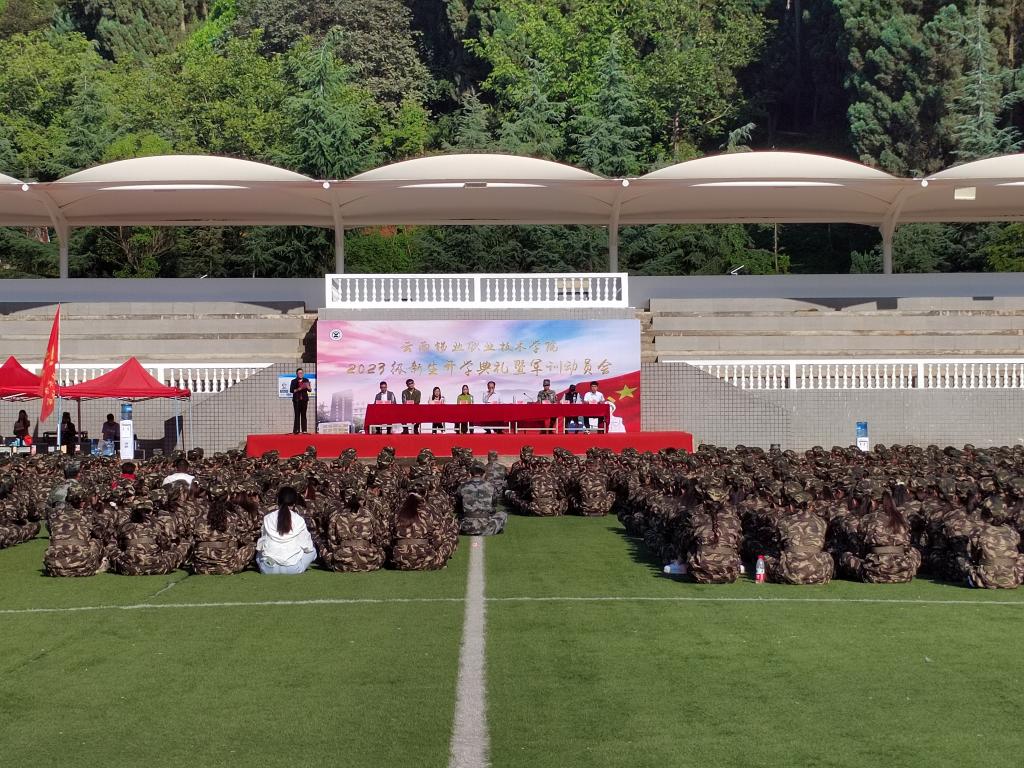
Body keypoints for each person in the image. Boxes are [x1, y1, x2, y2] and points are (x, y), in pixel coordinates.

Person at [256, 486, 317, 574]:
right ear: (294, 503)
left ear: (278, 500)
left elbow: (261, 544)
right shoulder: (299, 519)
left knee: (259, 552)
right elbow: (308, 547)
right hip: (292, 569)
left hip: (268, 568)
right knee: (313, 551)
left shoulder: (268, 518)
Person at [456, 463, 507, 535]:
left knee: (458, 516)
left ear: (470, 474)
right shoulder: (491, 486)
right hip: (487, 528)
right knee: (503, 514)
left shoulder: (462, 486)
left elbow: (458, 507)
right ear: (484, 474)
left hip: (466, 528)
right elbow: (494, 506)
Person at [290, 367, 311, 434]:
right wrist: (299, 388)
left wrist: (308, 387)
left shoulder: (306, 380)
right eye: (299, 373)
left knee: (304, 415)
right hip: (296, 400)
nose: (300, 374)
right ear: (296, 374)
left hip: (304, 400)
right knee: (297, 415)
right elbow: (291, 390)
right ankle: (296, 430)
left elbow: (310, 390)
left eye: (302, 373)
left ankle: (304, 430)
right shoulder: (293, 381)